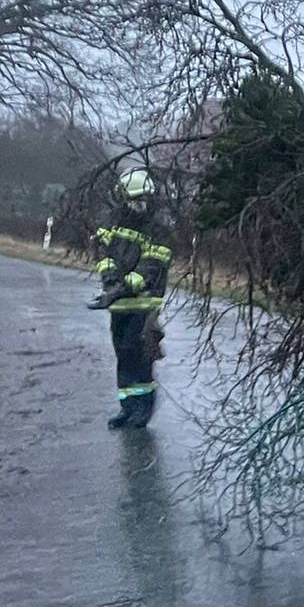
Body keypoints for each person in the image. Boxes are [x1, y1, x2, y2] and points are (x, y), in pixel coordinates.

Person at [88, 168, 170, 429]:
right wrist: (111, 281)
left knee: (141, 357)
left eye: (142, 200)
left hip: (145, 305)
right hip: (120, 305)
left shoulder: (160, 230)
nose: (139, 206)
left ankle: (144, 408)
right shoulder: (114, 224)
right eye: (134, 200)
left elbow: (150, 268)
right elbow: (105, 254)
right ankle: (128, 407)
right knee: (123, 355)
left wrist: (122, 287)